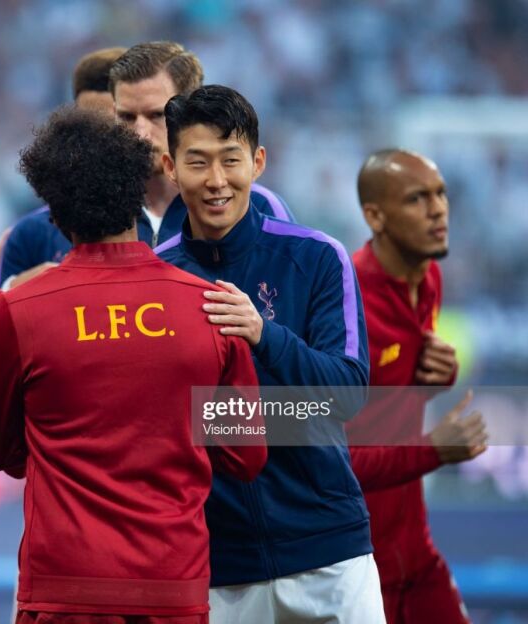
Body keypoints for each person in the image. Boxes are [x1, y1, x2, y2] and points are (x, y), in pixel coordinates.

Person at [0, 106, 267, 623]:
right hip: (171, 584)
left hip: (63, 587)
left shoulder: (17, 312)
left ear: (54, 214)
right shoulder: (211, 307)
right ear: (139, 194)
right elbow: (245, 454)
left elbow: (5, 451)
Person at [157, 85, 383, 623]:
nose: (216, 180)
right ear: (171, 168)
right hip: (220, 568)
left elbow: (347, 394)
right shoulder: (154, 278)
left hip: (331, 555)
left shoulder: (317, 256)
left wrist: (265, 336)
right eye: (198, 162)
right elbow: (161, 423)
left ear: (257, 163)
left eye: (231, 160)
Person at [0, 41, 296, 291]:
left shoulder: (258, 207)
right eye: (127, 117)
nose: (140, 133)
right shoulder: (49, 227)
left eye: (157, 115)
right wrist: (14, 288)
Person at [346, 149, 487, 624]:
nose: (438, 209)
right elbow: (329, 460)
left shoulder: (429, 279)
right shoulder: (346, 304)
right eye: (417, 198)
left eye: (440, 194)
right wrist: (432, 451)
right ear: (375, 217)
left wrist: (437, 376)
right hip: (356, 564)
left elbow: (387, 397)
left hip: (415, 549)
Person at [0, 46, 125, 290]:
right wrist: (15, 287)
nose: (100, 140)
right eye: (88, 124)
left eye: (115, 123)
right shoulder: (31, 235)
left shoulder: (188, 224)